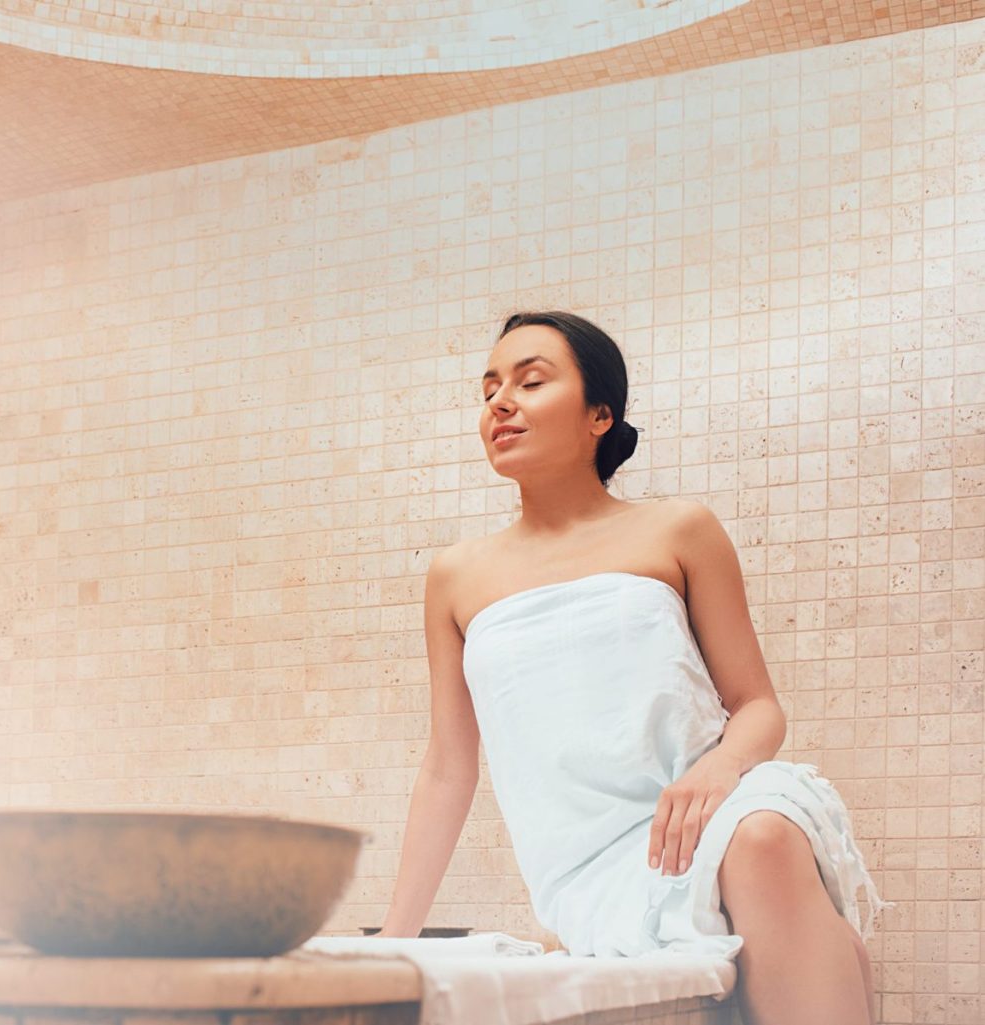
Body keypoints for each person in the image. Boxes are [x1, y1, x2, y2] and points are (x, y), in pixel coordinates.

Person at [375, 312, 890, 1025]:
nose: (499, 402)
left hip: (710, 802)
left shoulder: (678, 530)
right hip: (592, 862)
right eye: (489, 388)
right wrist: (393, 944)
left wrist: (718, 770)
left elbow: (759, 705)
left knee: (764, 838)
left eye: (530, 381)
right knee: (796, 914)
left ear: (598, 414)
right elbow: (447, 766)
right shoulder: (456, 577)